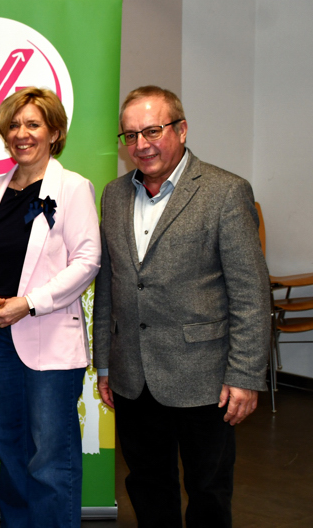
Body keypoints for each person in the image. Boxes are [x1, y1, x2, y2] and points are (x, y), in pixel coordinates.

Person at [93, 85, 271, 528]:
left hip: (204, 378)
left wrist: (244, 375)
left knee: (208, 491)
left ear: (182, 129)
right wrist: (106, 364)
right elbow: (110, 285)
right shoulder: (113, 195)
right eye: (130, 135)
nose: (141, 144)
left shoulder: (225, 192)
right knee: (147, 486)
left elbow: (250, 292)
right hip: (133, 375)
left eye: (152, 131)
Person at [0, 87, 101, 528]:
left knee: (50, 457)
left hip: (50, 341)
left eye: (33, 124)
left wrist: (28, 304)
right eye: (14, 125)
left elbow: (88, 261)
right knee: (10, 449)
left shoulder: (73, 188)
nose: (21, 134)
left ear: (54, 132)